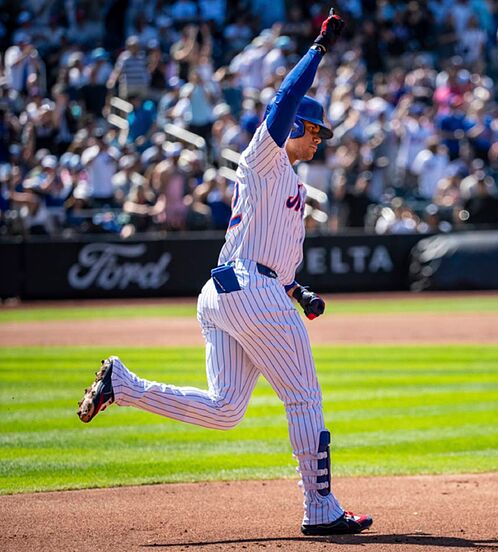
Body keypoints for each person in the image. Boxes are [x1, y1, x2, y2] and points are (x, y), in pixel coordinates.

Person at [76, 11, 373, 536]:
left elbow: (269, 256)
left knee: (225, 409)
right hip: (246, 289)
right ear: (300, 127)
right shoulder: (265, 158)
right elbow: (281, 103)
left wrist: (298, 293)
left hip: (230, 291)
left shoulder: (291, 188)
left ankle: (122, 384)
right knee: (303, 397)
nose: (320, 141)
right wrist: (319, 49)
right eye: (317, 132)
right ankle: (320, 509)